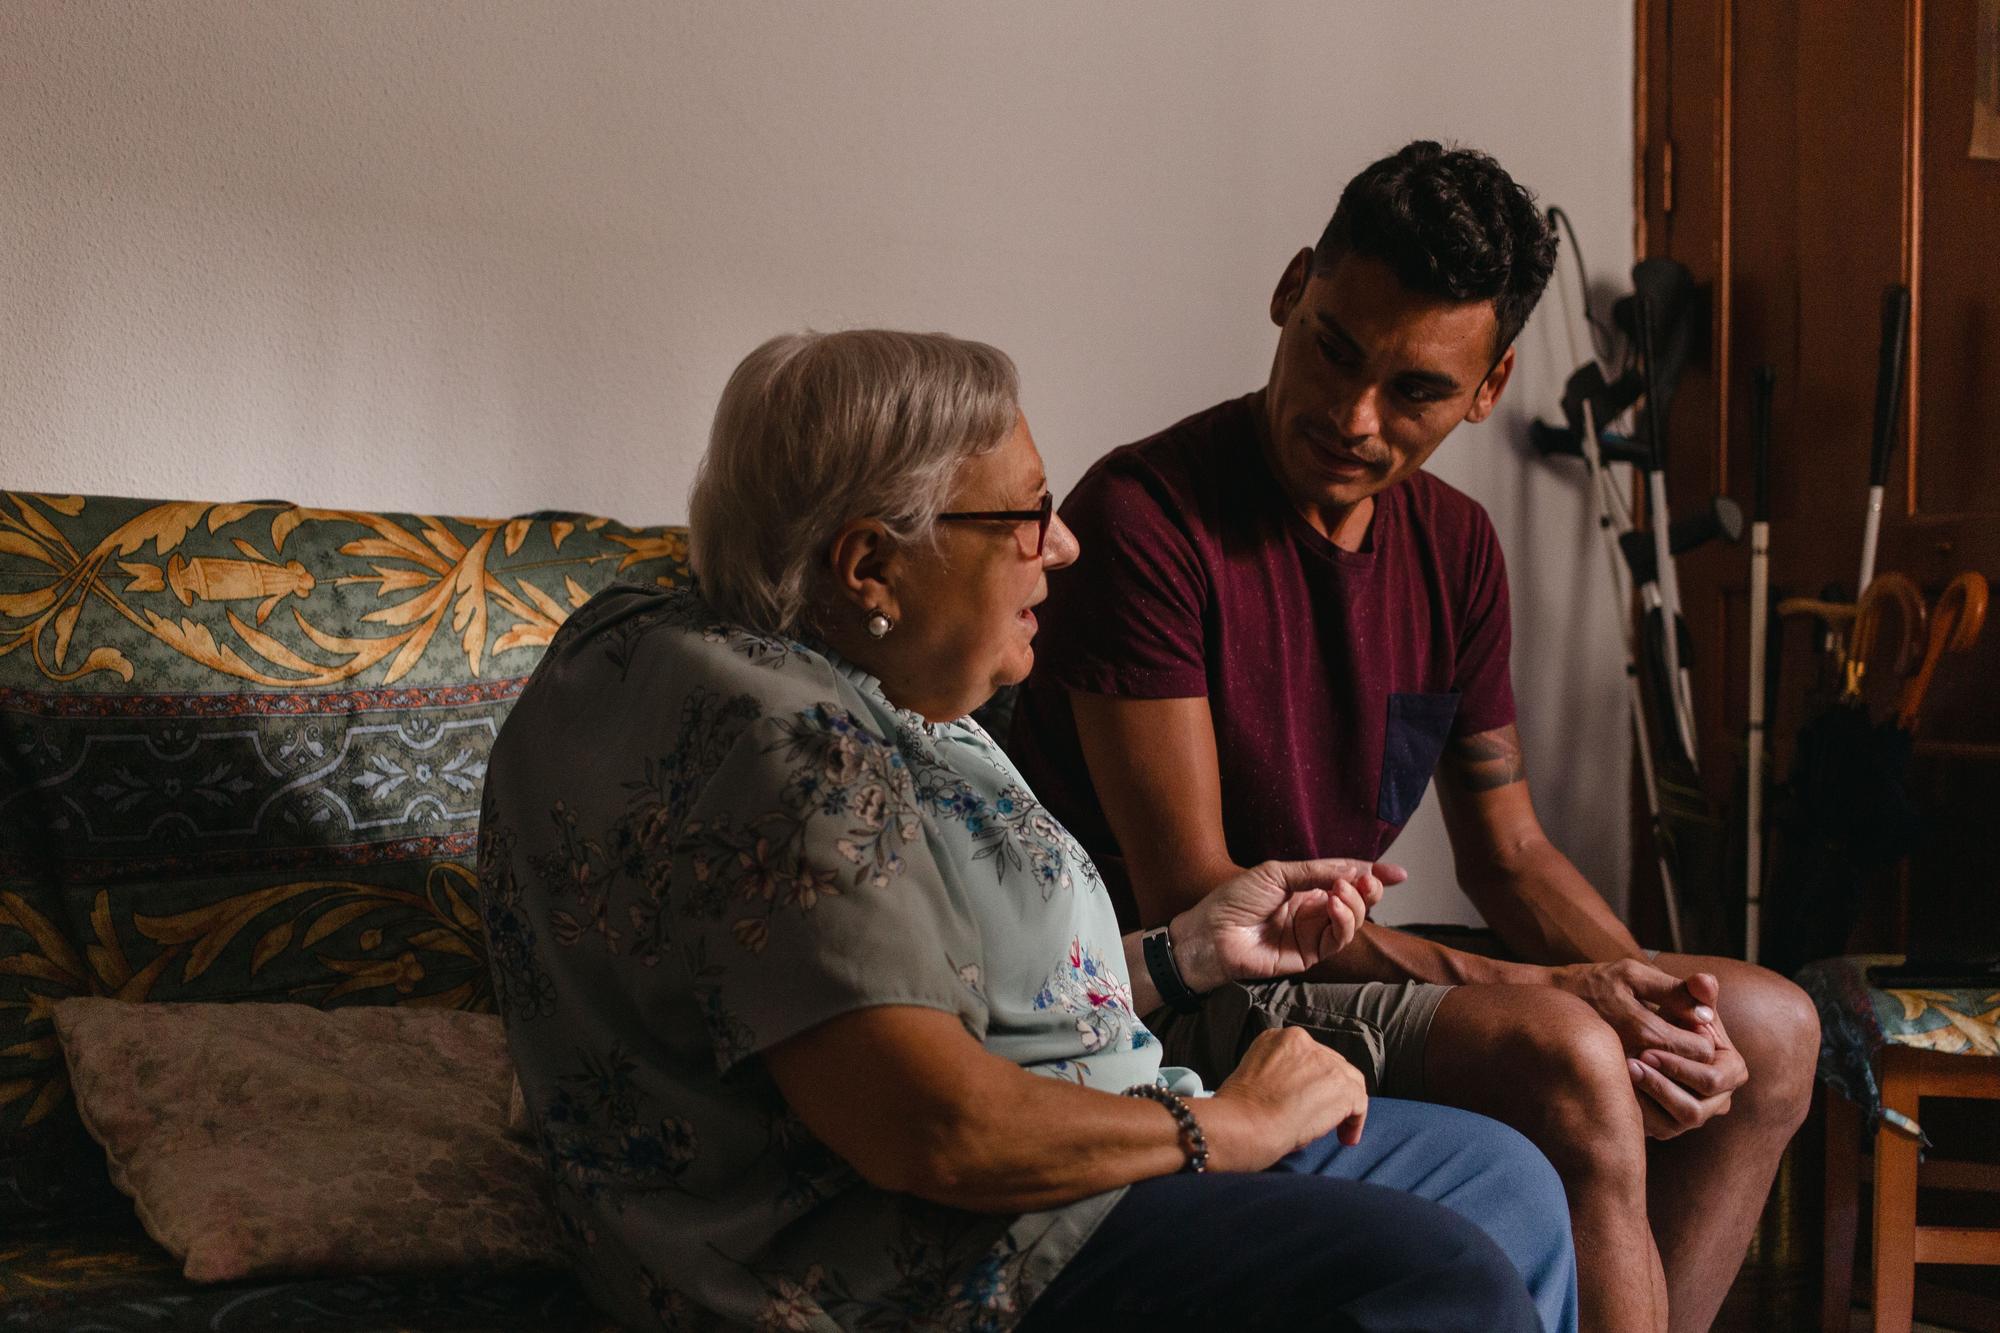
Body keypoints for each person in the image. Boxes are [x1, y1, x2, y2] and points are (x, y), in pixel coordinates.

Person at [478, 329, 1577, 1332]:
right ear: (869, 566)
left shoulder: (842, 678)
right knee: (1436, 1277)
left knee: (1504, 1180)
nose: (1063, 547)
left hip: (1070, 1141)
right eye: (1024, 516)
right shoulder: (791, 748)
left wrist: (1186, 953)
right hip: (927, 1256)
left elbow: (920, 980)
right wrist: (1227, 1129)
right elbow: (932, 1127)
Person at [1009, 141, 1820, 1333]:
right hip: (1180, 980)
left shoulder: (1456, 548)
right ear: (1292, 289)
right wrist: (1564, 995)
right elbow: (1202, 894)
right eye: (1335, 349)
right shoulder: (1143, 521)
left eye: (1415, 390)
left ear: (1485, 390)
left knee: (1768, 1031)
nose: (1352, 415)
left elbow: (1509, 852)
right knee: (1569, 1051)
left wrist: (1651, 993)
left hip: (1338, 955)